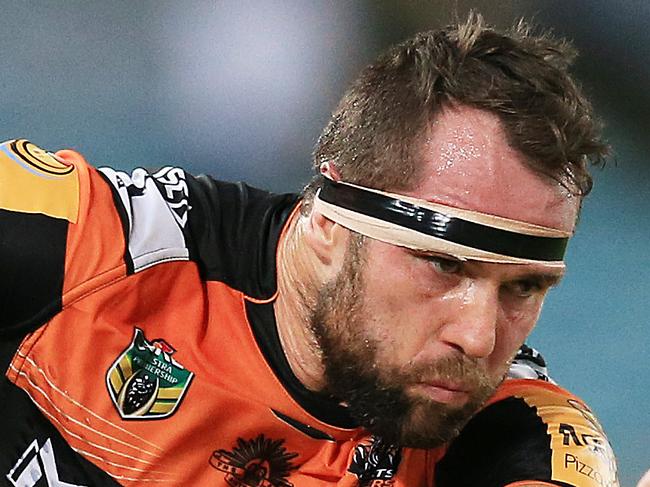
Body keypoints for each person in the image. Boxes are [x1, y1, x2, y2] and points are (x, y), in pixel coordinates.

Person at [0, 13, 619, 487]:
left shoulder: (515, 429)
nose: (480, 338)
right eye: (443, 263)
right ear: (324, 225)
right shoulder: (90, 245)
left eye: (523, 287)